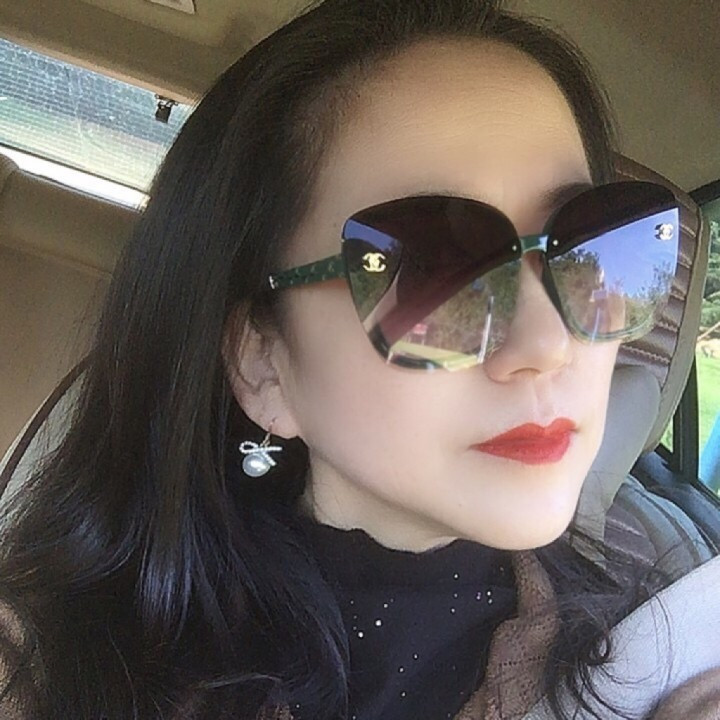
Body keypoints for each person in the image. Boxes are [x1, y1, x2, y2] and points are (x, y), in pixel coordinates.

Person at [0, 0, 717, 718]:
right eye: (434, 273)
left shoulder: (666, 652)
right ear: (262, 363)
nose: (547, 345)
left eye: (592, 251)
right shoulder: (49, 665)